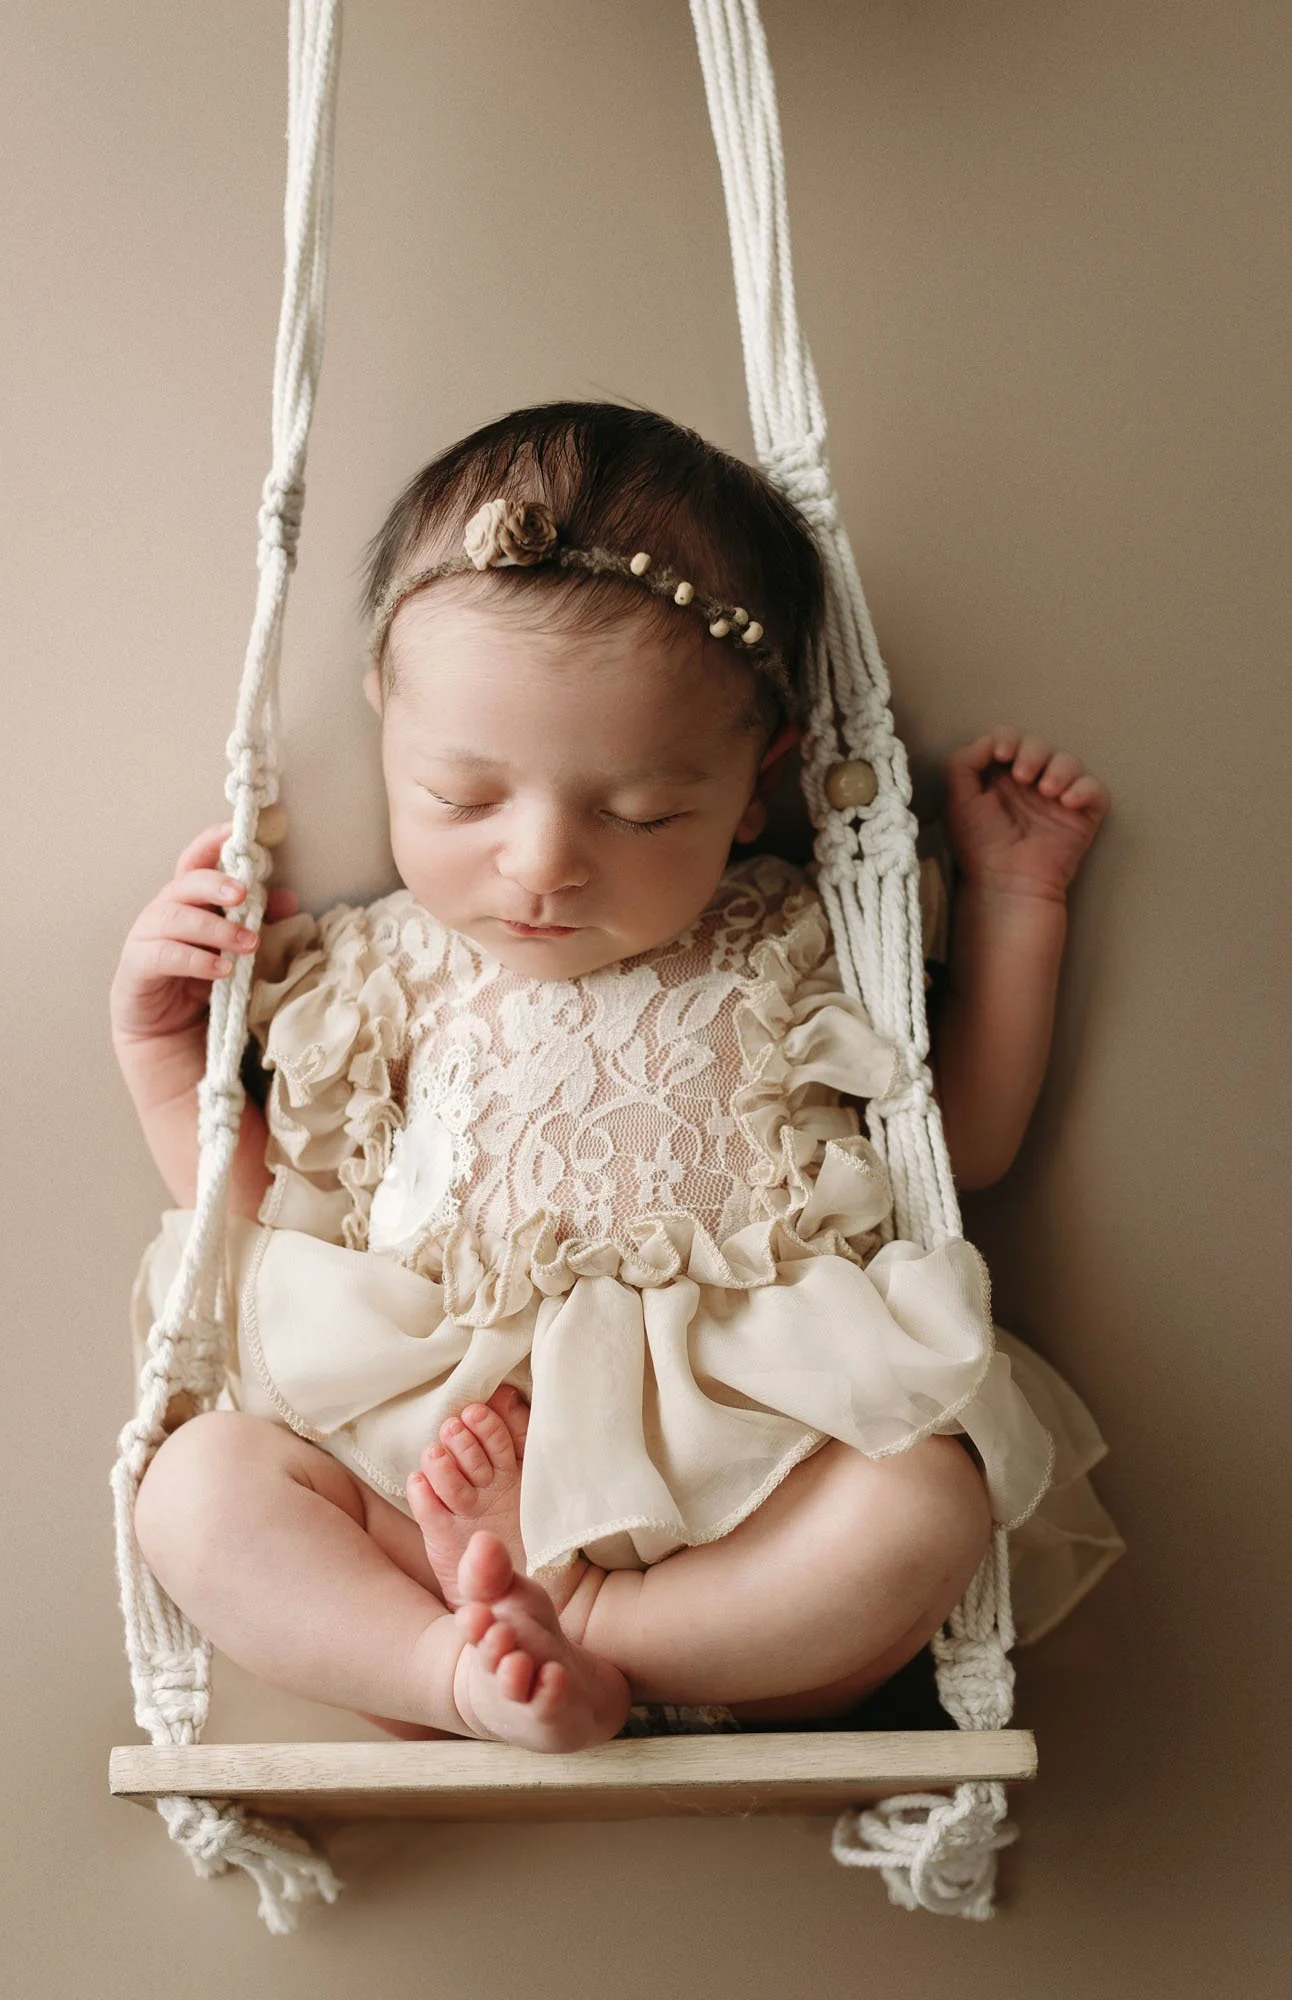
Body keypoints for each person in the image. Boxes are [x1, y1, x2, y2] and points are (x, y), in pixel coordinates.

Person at [113, 402, 1123, 1754]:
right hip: (431, 1473)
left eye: (641, 813)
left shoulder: (786, 943)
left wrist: (1015, 903)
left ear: (753, 784)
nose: (543, 864)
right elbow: (253, 1218)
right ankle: (449, 1670)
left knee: (929, 1499)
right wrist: (162, 1049)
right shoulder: (373, 975)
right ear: (387, 726)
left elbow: (966, 1147)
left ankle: (594, 1643)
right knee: (196, 1487)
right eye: (465, 798)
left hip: (733, 1481)